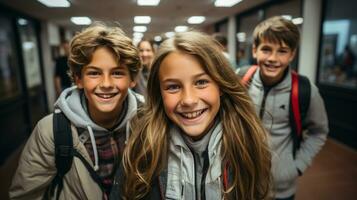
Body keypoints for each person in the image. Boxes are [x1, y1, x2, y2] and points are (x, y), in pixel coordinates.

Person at [110, 31, 271, 200]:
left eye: (201, 82)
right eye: (173, 87)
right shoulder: (142, 149)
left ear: (221, 85)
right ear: (159, 94)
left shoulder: (247, 145)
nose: (188, 100)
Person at [10, 22, 142, 199]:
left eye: (117, 73)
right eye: (94, 73)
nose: (106, 84)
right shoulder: (51, 131)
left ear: (132, 79)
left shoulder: (147, 123)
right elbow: (26, 195)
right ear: (78, 79)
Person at [238, 16, 329, 200]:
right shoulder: (240, 80)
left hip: (280, 187)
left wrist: (297, 166)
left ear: (292, 55)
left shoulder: (305, 90)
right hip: (242, 180)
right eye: (266, 49)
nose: (273, 58)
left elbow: (318, 132)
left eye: (282, 51)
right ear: (255, 50)